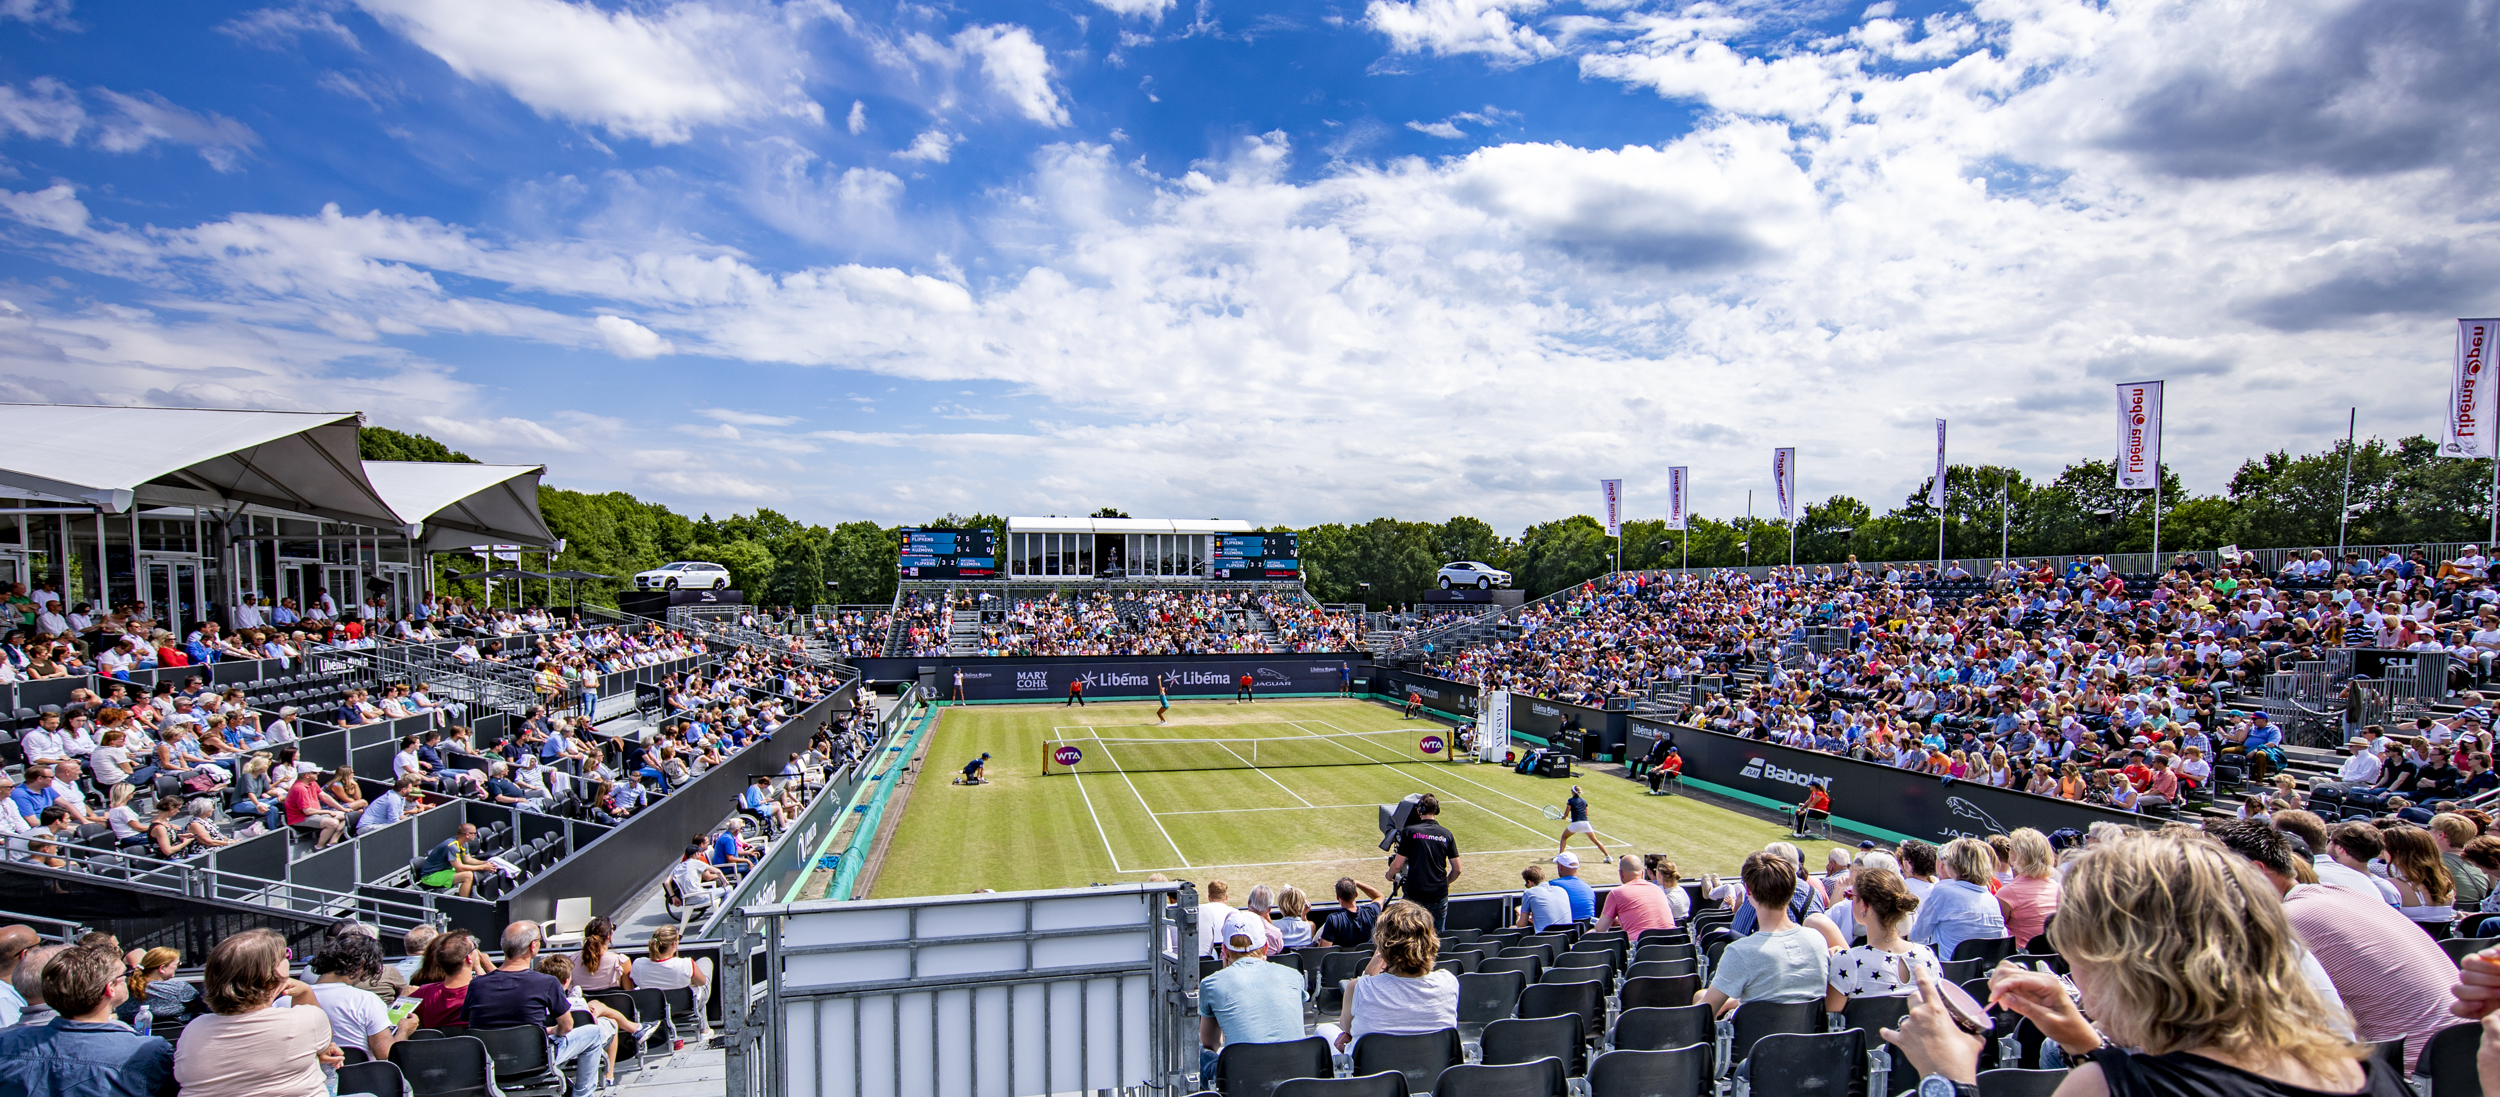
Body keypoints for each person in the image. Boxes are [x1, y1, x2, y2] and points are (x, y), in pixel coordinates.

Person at [1888, 827, 2412, 1097]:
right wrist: (2086, 1045)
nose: (2081, 992)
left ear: (2131, 968)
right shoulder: (2363, 1071)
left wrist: (1948, 1078)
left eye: (2081, 966)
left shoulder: (2108, 1088)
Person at [2211, 820, 2455, 1066]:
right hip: (2457, 1058)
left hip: (2409, 1072)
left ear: (2256, 870)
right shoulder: (2342, 894)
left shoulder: (2287, 920)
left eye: (2209, 875)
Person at [170, 929, 340, 1097]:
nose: (288, 958)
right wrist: (305, 992)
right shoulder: (304, 1021)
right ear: (273, 972)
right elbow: (324, 1041)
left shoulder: (193, 1030)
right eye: (285, 954)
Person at [0, 943, 175, 1097]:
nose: (129, 977)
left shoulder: (6, 1042)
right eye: (125, 974)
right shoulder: (150, 1052)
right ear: (110, 988)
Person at [468, 922, 608, 1097]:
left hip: (492, 1063)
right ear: (533, 946)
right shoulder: (546, 982)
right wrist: (550, 1031)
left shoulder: (475, 985)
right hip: (536, 1060)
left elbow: (472, 1026)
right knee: (594, 1032)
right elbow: (567, 1026)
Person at [1700, 851, 1830, 1017]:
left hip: (1752, 1040)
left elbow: (1703, 1014)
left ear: (1749, 891)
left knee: (1700, 999)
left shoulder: (1740, 952)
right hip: (1806, 1039)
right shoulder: (1818, 940)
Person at [1330, 901, 1457, 1052]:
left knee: (1325, 1030)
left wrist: (1369, 971)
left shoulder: (1359, 987)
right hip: (1432, 1070)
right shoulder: (1449, 982)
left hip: (1374, 1072)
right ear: (1431, 941)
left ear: (1382, 946)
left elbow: (1348, 1028)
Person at [1197, 910, 1307, 1081]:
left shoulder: (1212, 983)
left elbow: (1211, 1044)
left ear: (1224, 951)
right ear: (1265, 947)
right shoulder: (1294, 976)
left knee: (1199, 1054)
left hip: (1242, 1081)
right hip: (1294, 1077)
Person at [1822, 865, 1939, 1009]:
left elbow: (1831, 1021)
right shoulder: (1928, 956)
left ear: (1864, 906)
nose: (1850, 900)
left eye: (1851, 895)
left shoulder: (1847, 962)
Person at [1907, 837, 2008, 963]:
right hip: (1979, 976)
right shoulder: (1993, 900)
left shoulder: (1943, 892)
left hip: (1945, 972)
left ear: (1954, 864)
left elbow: (1917, 936)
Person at [307, 932, 396, 1062]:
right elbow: (385, 1054)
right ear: (362, 965)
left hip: (308, 1079)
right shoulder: (365, 1000)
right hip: (360, 1078)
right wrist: (404, 1030)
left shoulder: (285, 1001)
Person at [1385, 794, 1462, 929]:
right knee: (1436, 938)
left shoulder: (1409, 832)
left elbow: (1397, 865)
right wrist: (1446, 883)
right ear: (1436, 810)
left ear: (1419, 810)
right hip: (1439, 895)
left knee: (1410, 934)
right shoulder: (1447, 834)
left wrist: (1389, 874)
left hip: (1415, 894)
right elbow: (1457, 869)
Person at [628, 926, 711, 1041]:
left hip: (653, 1007)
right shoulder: (685, 964)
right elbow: (702, 982)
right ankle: (704, 1029)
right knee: (705, 964)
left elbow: (636, 982)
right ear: (674, 944)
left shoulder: (638, 964)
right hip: (685, 1005)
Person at [400, 930, 483, 1033]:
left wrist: (402, 999)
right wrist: (479, 967)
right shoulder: (484, 993)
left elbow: (392, 1023)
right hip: (477, 1048)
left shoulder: (422, 994)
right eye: (474, 948)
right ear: (468, 958)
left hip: (433, 1048)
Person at [1994, 827, 2062, 949]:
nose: (2008, 852)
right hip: (2054, 958)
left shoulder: (2008, 893)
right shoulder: (2058, 888)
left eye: (2009, 848)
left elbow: (1995, 932)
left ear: (2019, 855)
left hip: (2022, 960)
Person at [1593, 853, 1677, 939]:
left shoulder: (1616, 893)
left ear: (1621, 874)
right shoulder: (1658, 889)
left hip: (1642, 948)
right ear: (1642, 873)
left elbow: (1600, 929)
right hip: (1673, 943)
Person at [417, 822, 495, 898]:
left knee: (473, 870)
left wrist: (486, 863)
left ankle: (471, 894)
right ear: (467, 835)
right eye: (474, 833)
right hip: (430, 876)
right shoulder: (452, 847)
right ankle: (462, 901)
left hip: (444, 870)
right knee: (468, 875)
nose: (475, 835)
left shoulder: (463, 843)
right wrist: (482, 867)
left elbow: (468, 860)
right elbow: (460, 868)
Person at [1317, 878, 1383, 948]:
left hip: (1342, 958)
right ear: (1356, 894)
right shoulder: (1371, 912)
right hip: (1366, 958)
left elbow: (1324, 949)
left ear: (1337, 897)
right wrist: (1357, 883)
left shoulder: (1333, 920)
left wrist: (1319, 944)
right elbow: (1380, 897)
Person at [572, 916, 629, 993]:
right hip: (611, 1005)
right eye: (613, 928)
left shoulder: (573, 960)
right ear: (608, 935)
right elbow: (629, 993)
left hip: (583, 1004)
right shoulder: (621, 962)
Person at [1555, 784, 1609, 858]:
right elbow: (1586, 813)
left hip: (1576, 824)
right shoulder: (1584, 801)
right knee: (1596, 841)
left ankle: (1560, 856)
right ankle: (1608, 856)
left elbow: (1567, 813)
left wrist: (1564, 817)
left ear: (1573, 792)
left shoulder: (1570, 800)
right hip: (1586, 823)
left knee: (1564, 837)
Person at [1515, 864, 1572, 932]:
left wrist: (1519, 916)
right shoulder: (1562, 890)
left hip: (1545, 939)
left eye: (1527, 885)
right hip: (1566, 937)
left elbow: (1521, 925)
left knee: (1512, 929)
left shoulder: (1529, 893)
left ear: (1530, 882)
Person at [1547, 851, 1598, 922]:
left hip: (1564, 930)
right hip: (1586, 930)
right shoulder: (1588, 888)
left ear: (1560, 867)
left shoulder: (1552, 885)